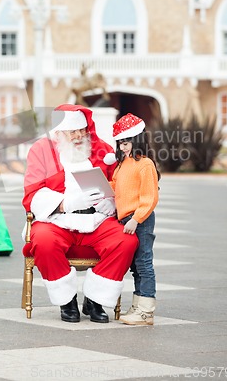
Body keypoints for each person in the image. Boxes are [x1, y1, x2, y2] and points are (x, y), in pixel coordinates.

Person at [22, 104, 139, 323]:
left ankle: (94, 300)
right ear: (58, 133)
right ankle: (66, 301)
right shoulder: (41, 150)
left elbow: (121, 182)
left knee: (126, 240)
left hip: (96, 220)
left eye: (81, 130)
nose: (78, 136)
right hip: (56, 219)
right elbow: (32, 192)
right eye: (72, 132)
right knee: (44, 241)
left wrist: (113, 202)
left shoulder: (101, 150)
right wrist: (67, 203)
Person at [110, 112, 160, 325]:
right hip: (127, 219)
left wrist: (136, 219)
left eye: (127, 142)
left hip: (140, 220)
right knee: (135, 265)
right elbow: (117, 187)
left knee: (144, 263)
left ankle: (146, 311)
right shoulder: (123, 164)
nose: (123, 146)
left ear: (137, 139)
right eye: (120, 142)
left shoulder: (145, 164)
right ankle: (138, 305)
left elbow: (149, 197)